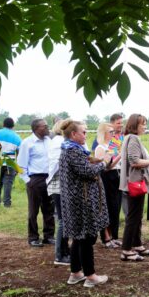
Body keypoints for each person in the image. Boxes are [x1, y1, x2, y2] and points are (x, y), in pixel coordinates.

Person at [59, 120, 110, 287]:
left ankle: (75, 273)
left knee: (79, 237)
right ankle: (91, 276)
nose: (86, 135)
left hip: (77, 201)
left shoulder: (71, 150)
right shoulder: (73, 151)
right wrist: (102, 163)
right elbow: (87, 172)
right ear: (74, 134)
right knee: (87, 237)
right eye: (84, 132)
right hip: (81, 201)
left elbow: (85, 166)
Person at [119, 114, 149, 262]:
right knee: (133, 217)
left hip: (135, 182)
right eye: (143, 124)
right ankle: (126, 249)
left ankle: (136, 244)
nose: (145, 126)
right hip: (135, 183)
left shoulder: (129, 138)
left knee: (136, 216)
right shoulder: (133, 139)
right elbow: (134, 161)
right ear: (134, 125)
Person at [17, 118, 56, 247]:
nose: (47, 128)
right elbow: (21, 165)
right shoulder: (27, 143)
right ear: (36, 129)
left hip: (48, 178)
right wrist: (28, 181)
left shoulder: (49, 141)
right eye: (44, 126)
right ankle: (33, 237)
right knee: (33, 210)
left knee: (49, 208)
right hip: (35, 179)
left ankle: (49, 236)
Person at [47, 119, 71, 266]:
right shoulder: (58, 142)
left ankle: (64, 251)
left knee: (65, 220)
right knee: (63, 220)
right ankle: (59, 255)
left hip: (61, 185)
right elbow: (59, 163)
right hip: (59, 185)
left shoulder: (59, 141)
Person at [95, 122, 122, 248]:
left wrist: (119, 154)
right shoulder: (101, 148)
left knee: (115, 208)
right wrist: (118, 155)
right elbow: (105, 167)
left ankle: (113, 235)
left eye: (113, 132)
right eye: (111, 132)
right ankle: (106, 237)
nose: (113, 134)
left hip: (116, 176)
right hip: (107, 178)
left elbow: (114, 164)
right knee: (108, 208)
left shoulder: (111, 146)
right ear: (104, 133)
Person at [0, 117, 21, 207]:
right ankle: (7, 203)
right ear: (13, 126)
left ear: (3, 124)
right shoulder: (16, 137)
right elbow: (19, 153)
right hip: (10, 164)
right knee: (8, 184)